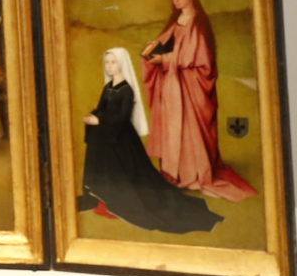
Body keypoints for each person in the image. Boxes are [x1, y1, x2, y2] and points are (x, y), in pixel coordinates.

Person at [77, 47, 223, 233]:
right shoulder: (108, 87)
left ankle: (120, 200)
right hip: (106, 135)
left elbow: (122, 118)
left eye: (113, 62)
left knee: (127, 175)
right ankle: (104, 198)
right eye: (107, 62)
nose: (109, 66)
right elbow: (102, 109)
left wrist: (100, 120)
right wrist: (93, 116)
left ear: (121, 64)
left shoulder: (126, 90)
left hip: (120, 138)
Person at [141, 0, 257, 200]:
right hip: (173, 85)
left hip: (191, 86)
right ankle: (172, 173)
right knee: (173, 126)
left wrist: (164, 58)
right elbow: (168, 45)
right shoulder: (176, 22)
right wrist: (153, 50)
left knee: (190, 129)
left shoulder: (198, 24)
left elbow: (200, 58)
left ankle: (192, 174)